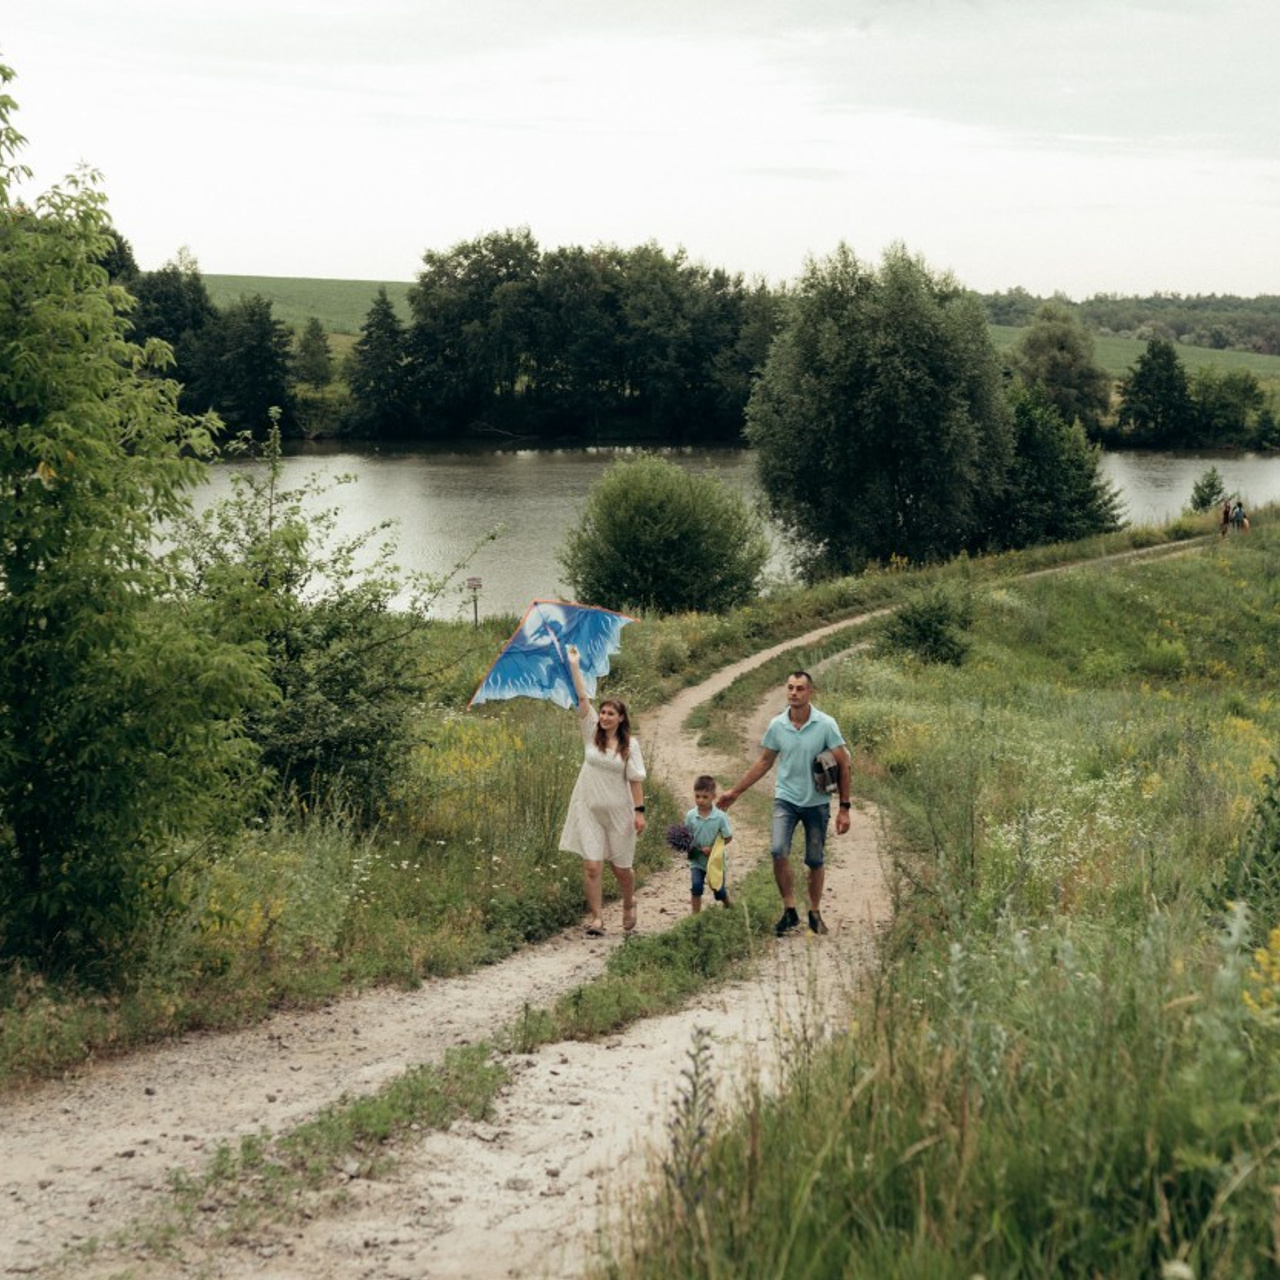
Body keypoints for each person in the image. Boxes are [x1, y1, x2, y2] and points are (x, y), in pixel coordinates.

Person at [717, 670, 852, 936]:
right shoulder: (778, 725)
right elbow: (764, 762)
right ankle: (789, 910)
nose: (794, 693)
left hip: (817, 802)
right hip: (786, 800)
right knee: (778, 851)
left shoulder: (826, 724)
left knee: (815, 859)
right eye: (790, 687)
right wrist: (735, 792)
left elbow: (844, 765)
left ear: (810, 692)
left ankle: (814, 913)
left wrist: (844, 808)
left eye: (800, 688)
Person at [558, 643, 646, 937]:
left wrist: (639, 812)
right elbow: (582, 698)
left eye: (611, 713)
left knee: (621, 869)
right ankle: (596, 919)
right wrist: (574, 664)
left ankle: (628, 901)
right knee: (592, 866)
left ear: (621, 718)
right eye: (604, 712)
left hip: (619, 811)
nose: (605, 717)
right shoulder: (590, 734)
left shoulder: (630, 745)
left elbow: (635, 780)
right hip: (588, 808)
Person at [684, 775, 733, 914]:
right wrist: (688, 846)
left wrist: (712, 849)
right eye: (697, 796)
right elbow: (686, 834)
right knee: (696, 887)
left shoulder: (720, 817)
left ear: (713, 796)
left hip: (715, 861)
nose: (700, 800)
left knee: (718, 890)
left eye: (705, 797)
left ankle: (728, 905)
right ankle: (695, 917)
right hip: (697, 860)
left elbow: (728, 837)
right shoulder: (691, 816)